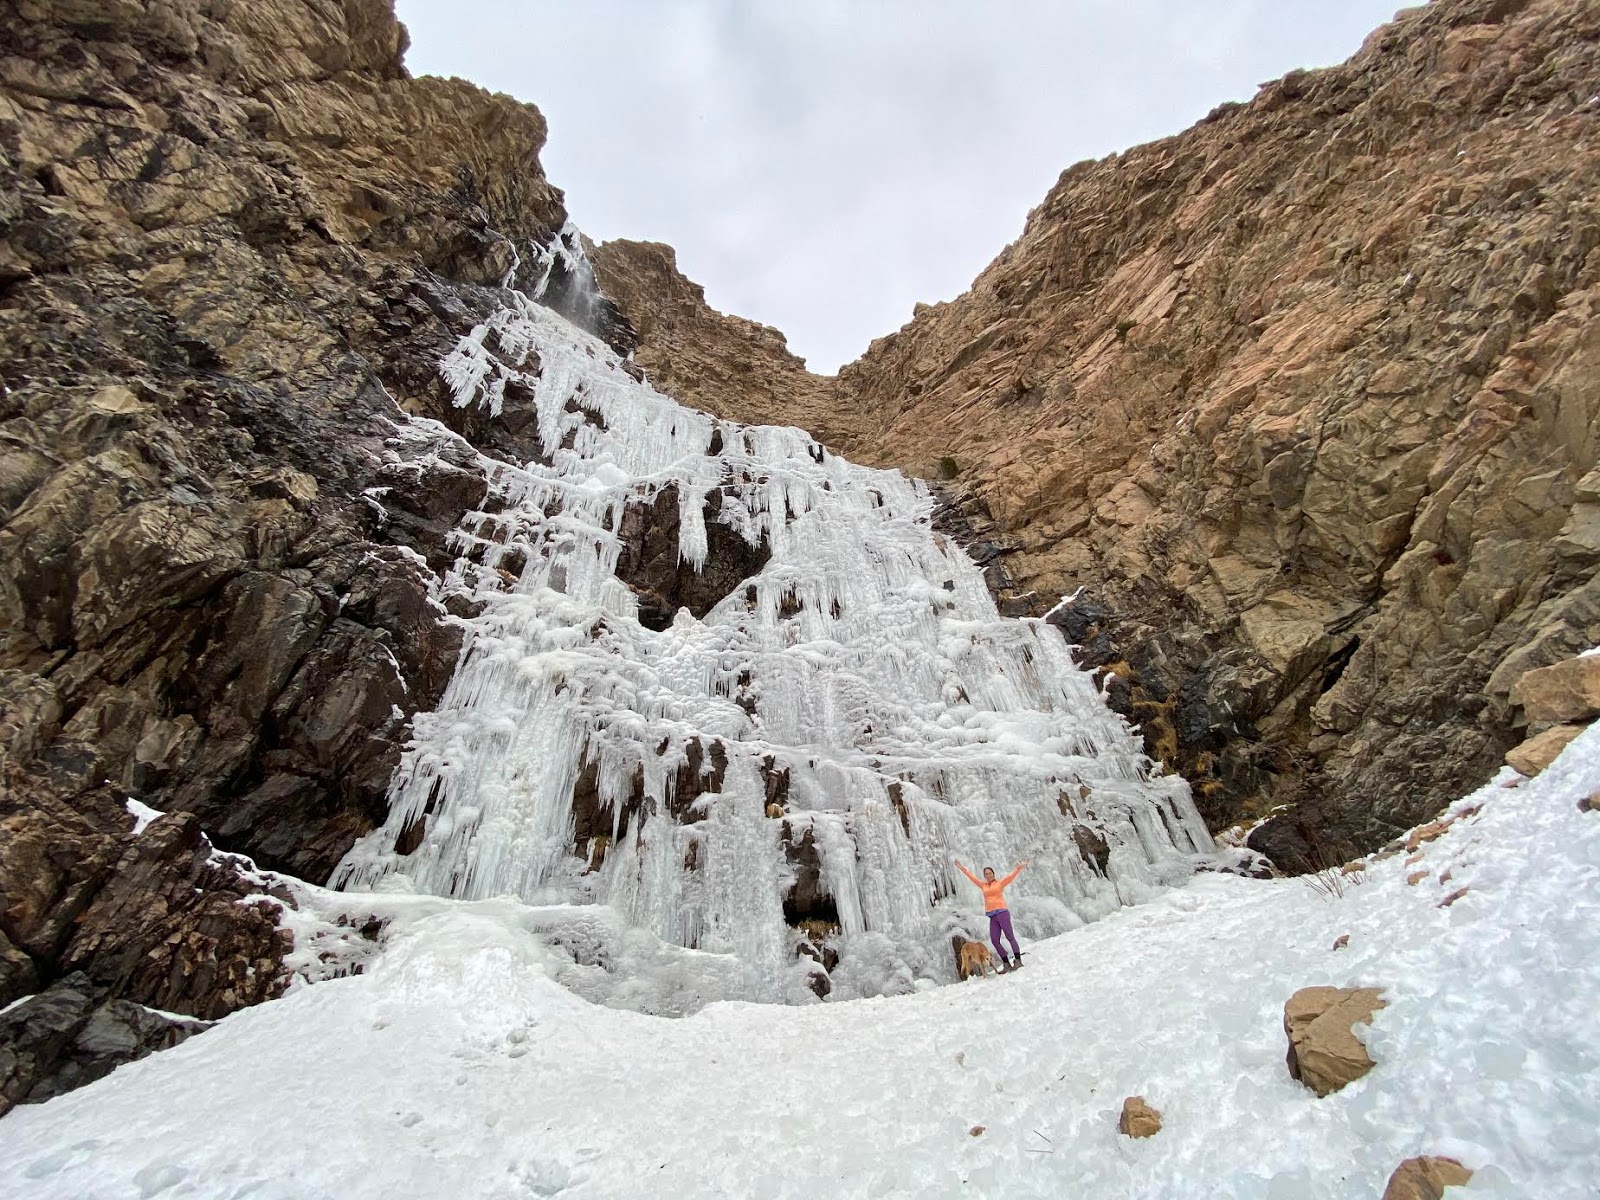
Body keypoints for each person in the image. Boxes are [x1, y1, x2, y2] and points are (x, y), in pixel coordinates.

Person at [955, 858, 1028, 971]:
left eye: (990, 873)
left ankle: (1018, 961)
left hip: (1002, 912)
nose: (988, 875)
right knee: (994, 940)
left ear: (993, 874)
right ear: (985, 876)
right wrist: (961, 868)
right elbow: (972, 878)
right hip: (992, 916)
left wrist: (1020, 867)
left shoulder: (999, 883)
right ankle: (1006, 963)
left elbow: (1011, 877)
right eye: (986, 874)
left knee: (1010, 937)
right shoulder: (983, 885)